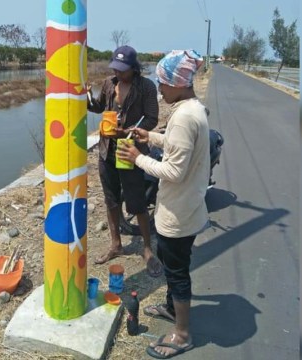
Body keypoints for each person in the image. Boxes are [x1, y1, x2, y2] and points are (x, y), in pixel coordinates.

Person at [116, 49, 209, 359]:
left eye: (164, 83)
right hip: (189, 206)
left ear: (179, 84)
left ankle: (182, 335)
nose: (160, 89)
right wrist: (151, 137)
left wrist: (138, 157)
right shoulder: (193, 109)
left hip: (178, 213)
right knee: (174, 267)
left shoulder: (184, 117)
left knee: (178, 273)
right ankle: (171, 309)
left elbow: (173, 171)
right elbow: (176, 144)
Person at [86, 45, 163, 277]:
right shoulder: (110, 84)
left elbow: (151, 119)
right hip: (107, 150)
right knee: (111, 199)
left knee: (136, 199)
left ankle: (148, 249)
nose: (118, 73)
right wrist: (87, 96)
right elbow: (100, 107)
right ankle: (116, 244)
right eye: (116, 69)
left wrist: (127, 131)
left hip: (130, 149)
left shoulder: (146, 87)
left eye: (123, 70)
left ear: (133, 67)